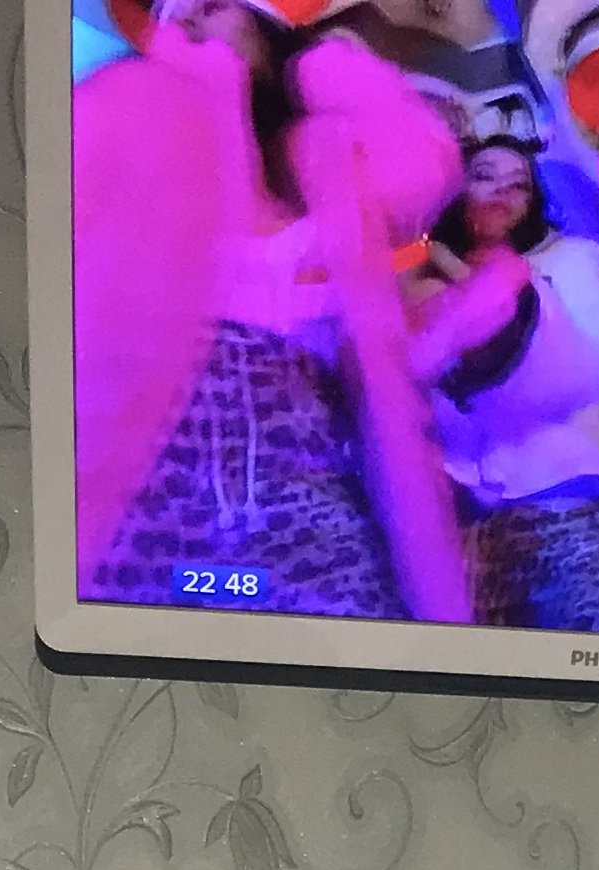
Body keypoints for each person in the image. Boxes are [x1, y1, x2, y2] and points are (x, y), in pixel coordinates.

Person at [75, 0, 469, 622]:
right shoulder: (131, 115)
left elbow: (422, 174)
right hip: (155, 476)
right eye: (176, 17)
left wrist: (318, 66)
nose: (193, 24)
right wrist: (201, 90)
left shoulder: (326, 157)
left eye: (213, 6)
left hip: (312, 479)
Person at [405, 139, 599, 629]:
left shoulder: (571, 263)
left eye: (519, 185)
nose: (502, 191)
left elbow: (588, 365)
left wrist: (493, 295)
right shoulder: (414, 277)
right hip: (458, 512)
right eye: (485, 176)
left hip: (558, 490)